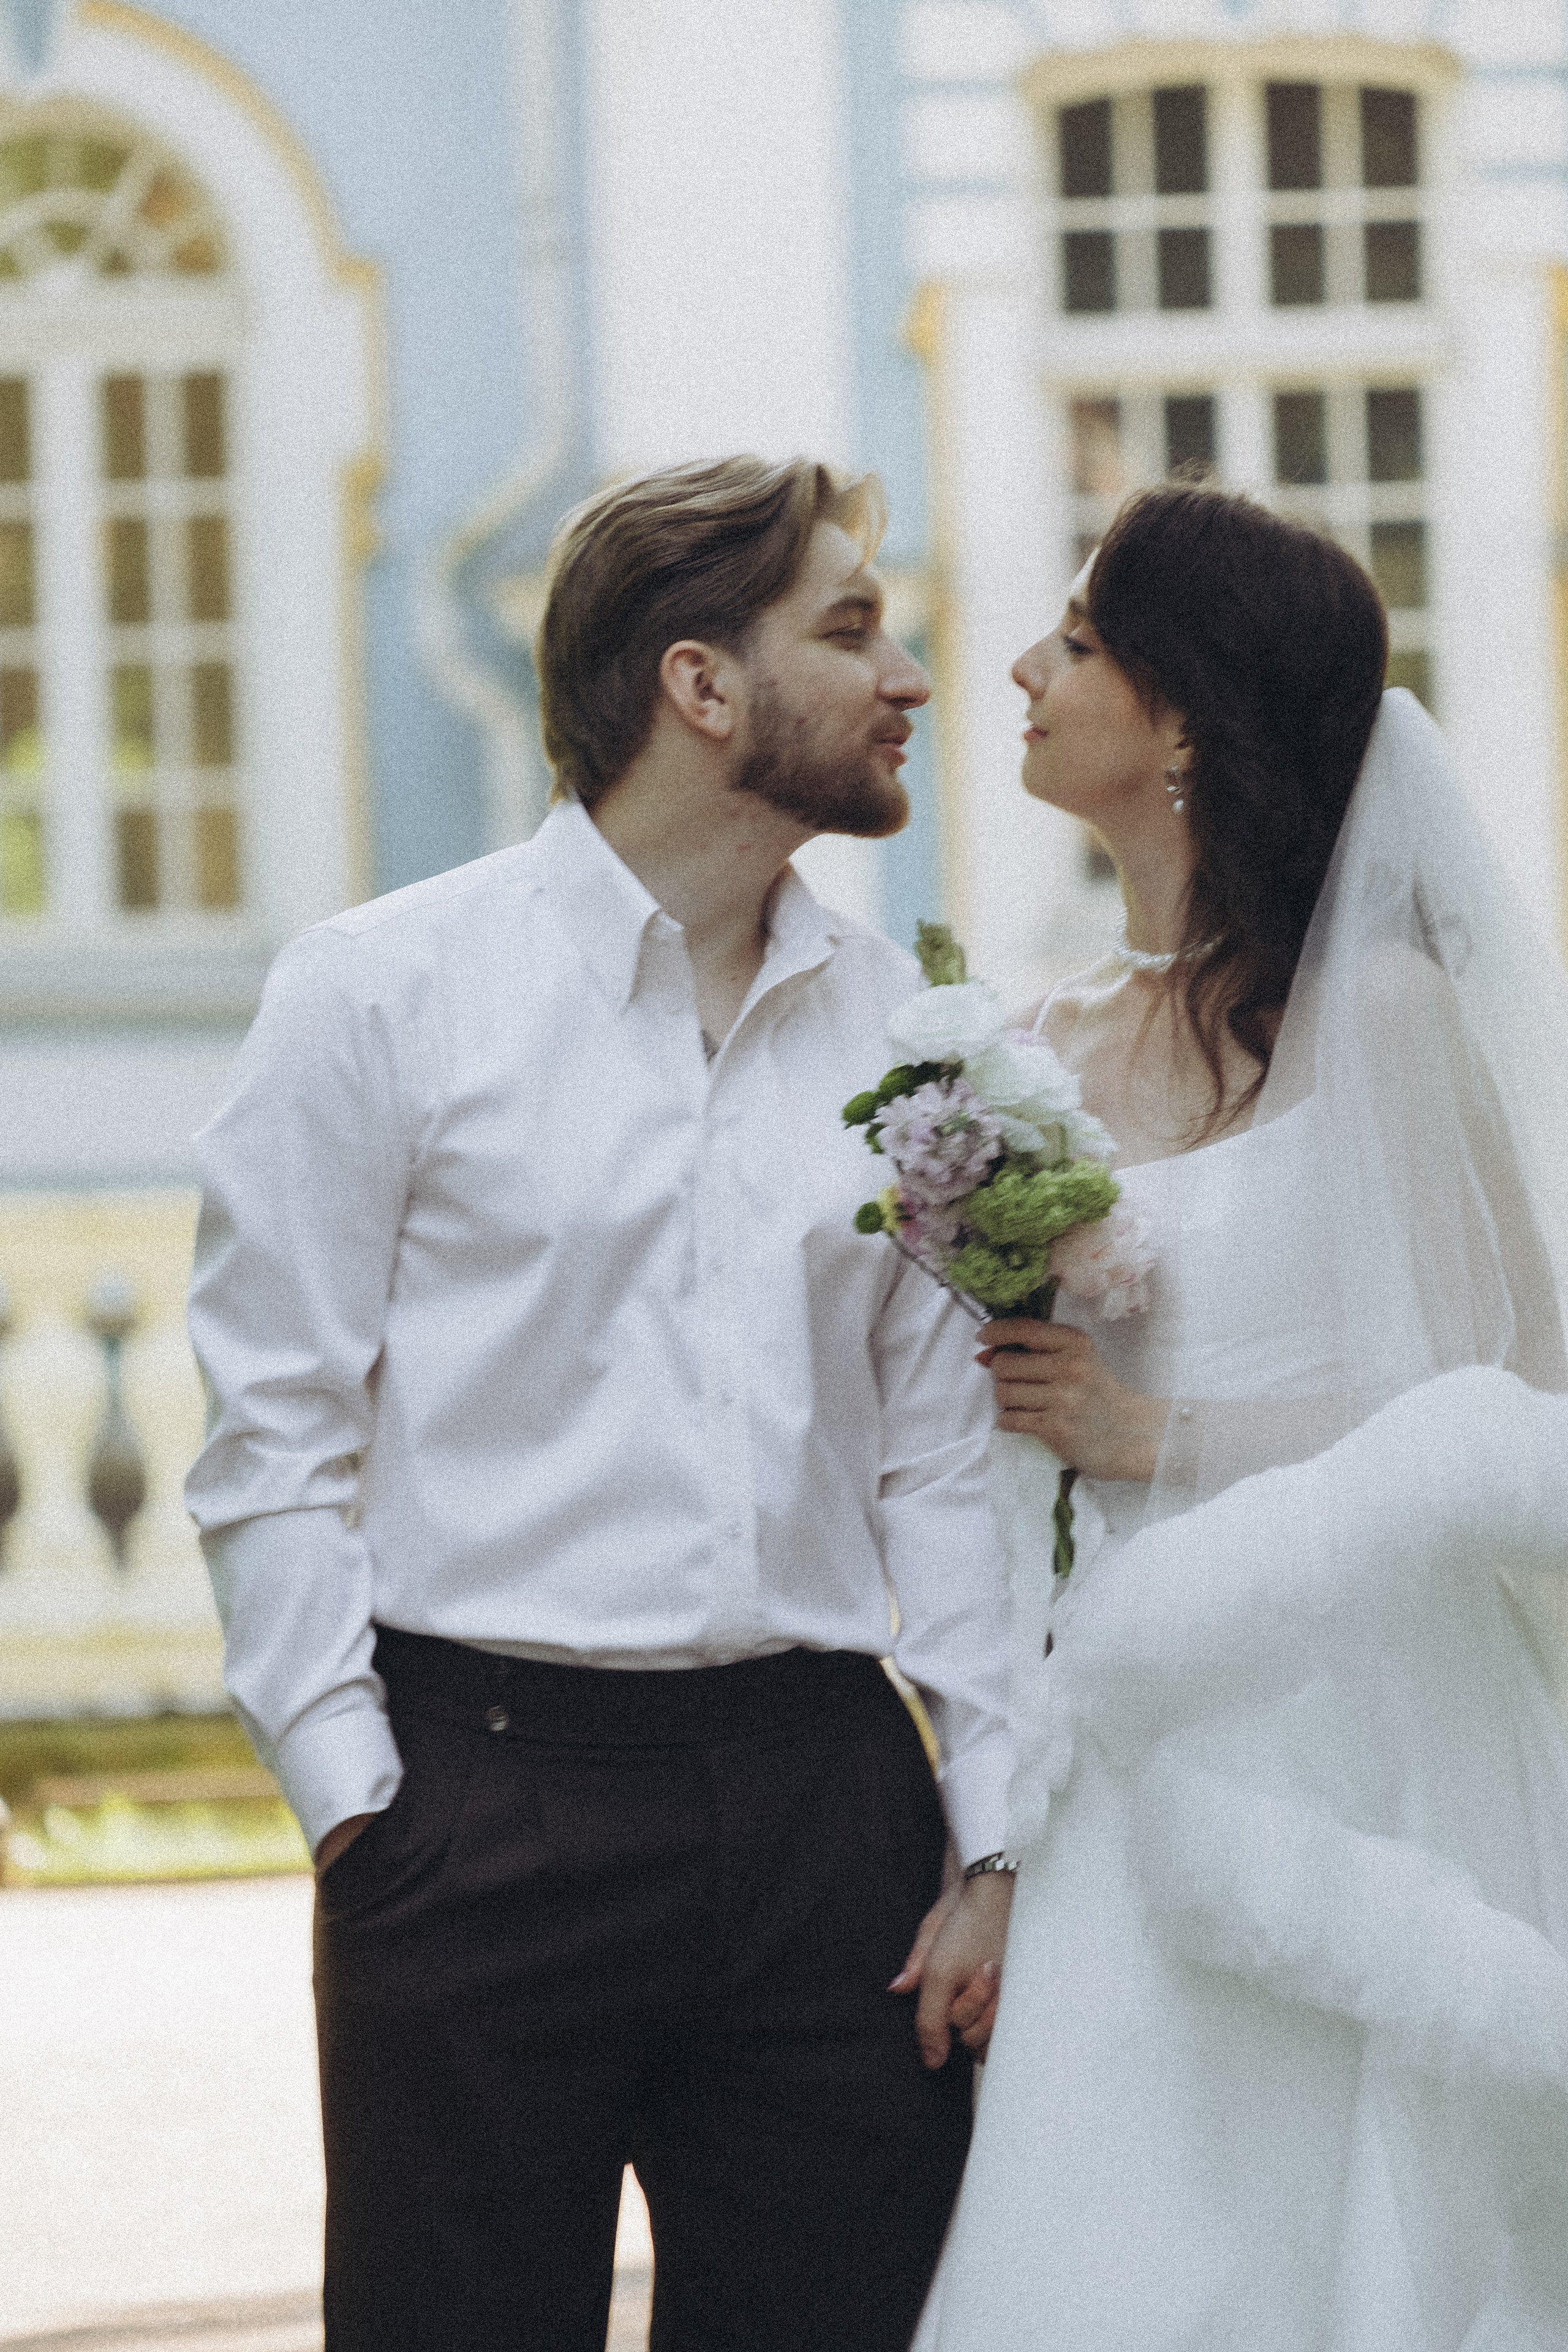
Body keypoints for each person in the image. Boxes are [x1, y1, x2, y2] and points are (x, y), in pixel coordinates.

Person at [185, 456, 1017, 2352]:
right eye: (852, 628)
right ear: (700, 686)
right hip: (481, 1807)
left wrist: (989, 1840)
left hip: (830, 1831)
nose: (909, 679)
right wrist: (357, 1809)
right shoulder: (380, 997)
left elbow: (944, 1466)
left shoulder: (904, 1036)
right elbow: (271, 1436)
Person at [915, 484, 1568, 2348]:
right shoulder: (1030, 1058)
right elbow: (992, 1486)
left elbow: (1513, 1398)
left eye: (1082, 641)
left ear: (1186, 712)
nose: (1027, 671)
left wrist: (1165, 1440)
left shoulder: (1387, 1014)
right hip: (1112, 1742)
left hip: (1348, 1730)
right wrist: (996, 1838)